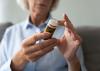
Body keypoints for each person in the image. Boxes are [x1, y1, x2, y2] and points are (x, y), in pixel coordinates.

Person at [0, 0, 86, 71]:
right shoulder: (10, 33)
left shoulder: (67, 34)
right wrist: (17, 61)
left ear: (53, 1)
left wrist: (72, 60)